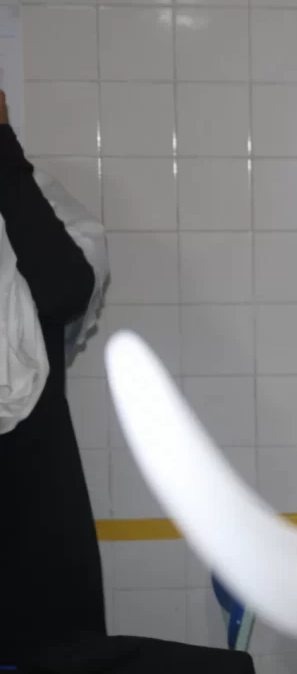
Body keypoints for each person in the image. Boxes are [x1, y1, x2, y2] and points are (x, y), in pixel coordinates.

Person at [0, 87, 110, 663]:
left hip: (33, 489)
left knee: (56, 651)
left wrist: (4, 159)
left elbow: (66, 289)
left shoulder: (30, 196)